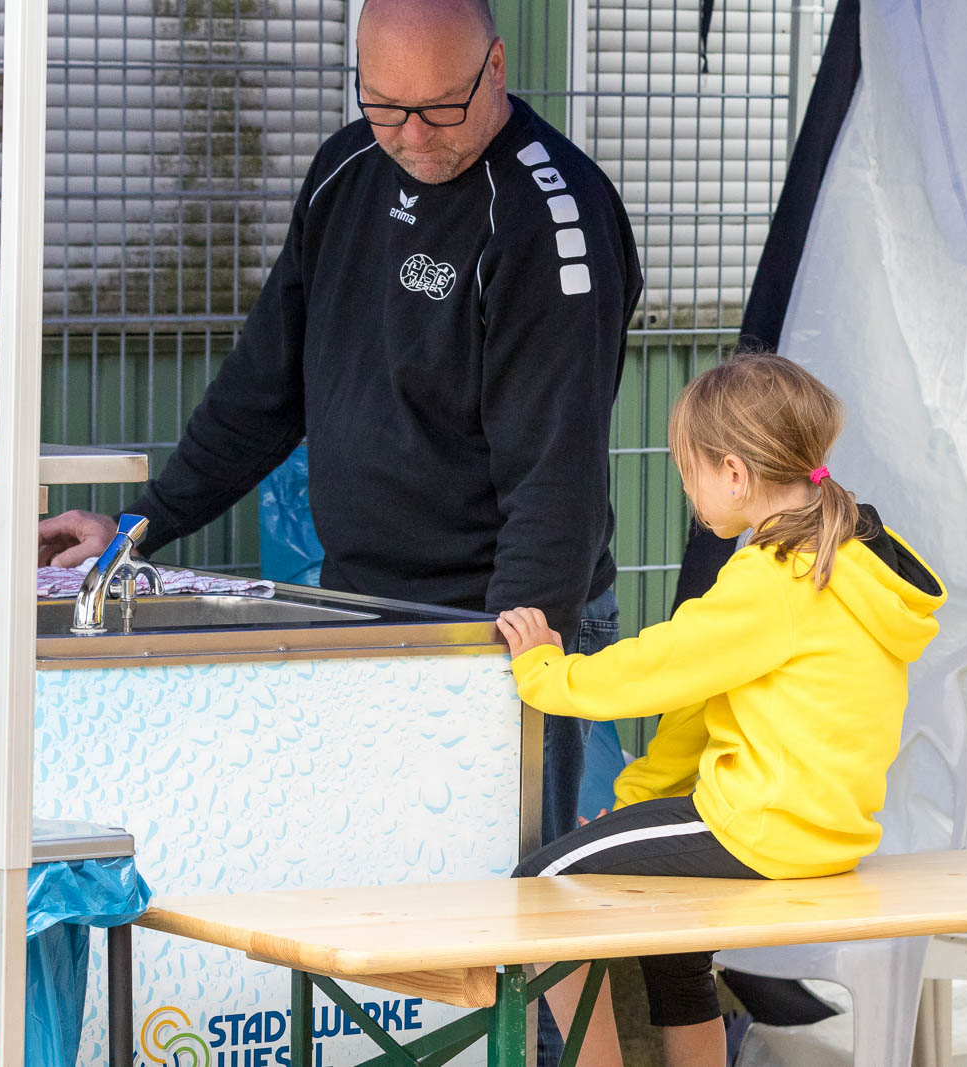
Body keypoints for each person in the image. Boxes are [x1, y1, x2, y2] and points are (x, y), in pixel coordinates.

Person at [35, 0, 642, 857]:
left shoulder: (550, 219)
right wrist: (138, 525)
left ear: (496, 68)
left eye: (440, 108)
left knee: (522, 909)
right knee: (379, 888)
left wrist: (515, 668)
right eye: (385, 105)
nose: (412, 136)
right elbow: (262, 387)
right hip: (366, 607)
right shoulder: (345, 171)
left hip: (507, 625)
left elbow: (558, 477)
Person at [496, 353, 948, 1067]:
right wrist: (635, 802)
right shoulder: (845, 559)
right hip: (823, 830)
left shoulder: (774, 577)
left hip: (758, 827)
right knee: (675, 941)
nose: (689, 490)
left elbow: (663, 668)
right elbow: (707, 701)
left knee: (540, 891)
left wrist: (547, 673)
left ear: (734, 474)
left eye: (689, 473)